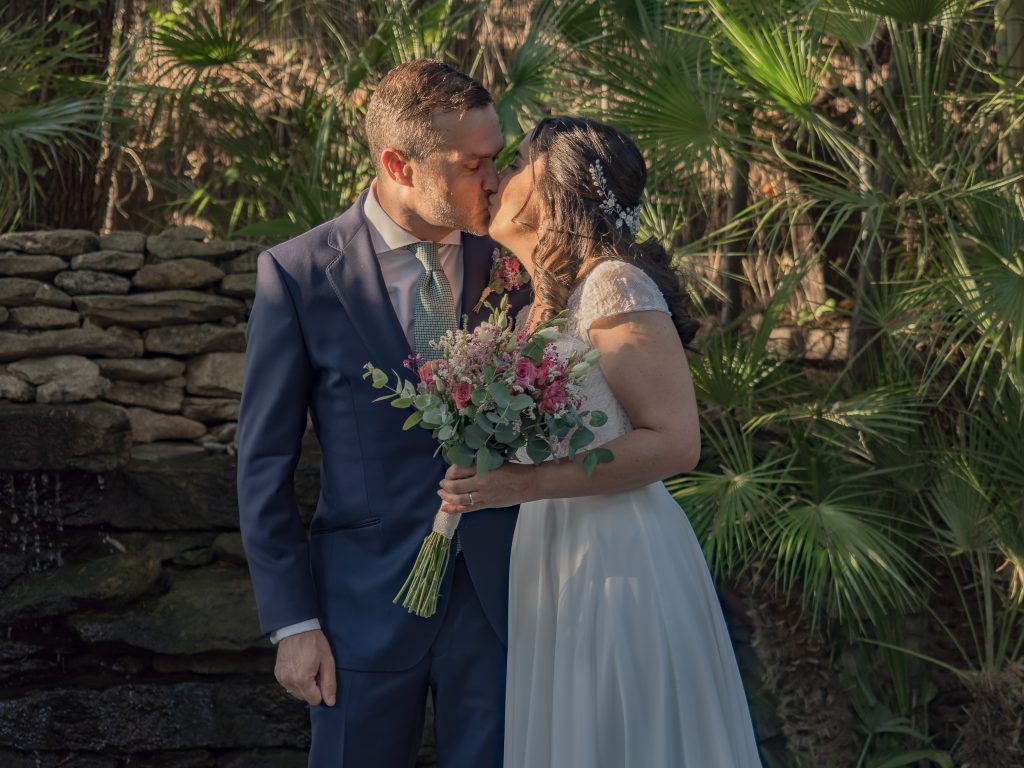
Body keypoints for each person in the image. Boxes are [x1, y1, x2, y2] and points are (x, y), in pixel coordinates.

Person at [437, 116, 763, 767]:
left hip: (618, 560)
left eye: (519, 160)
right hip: (551, 554)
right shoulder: (543, 305)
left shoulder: (613, 284)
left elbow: (675, 442)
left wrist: (522, 485)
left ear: (558, 189)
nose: (498, 177)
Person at [237, 60, 529, 767]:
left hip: (502, 604)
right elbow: (263, 463)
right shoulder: (299, 275)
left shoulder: (516, 263)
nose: (496, 181)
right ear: (399, 164)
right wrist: (293, 622)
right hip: (359, 612)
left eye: (499, 159)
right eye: (473, 164)